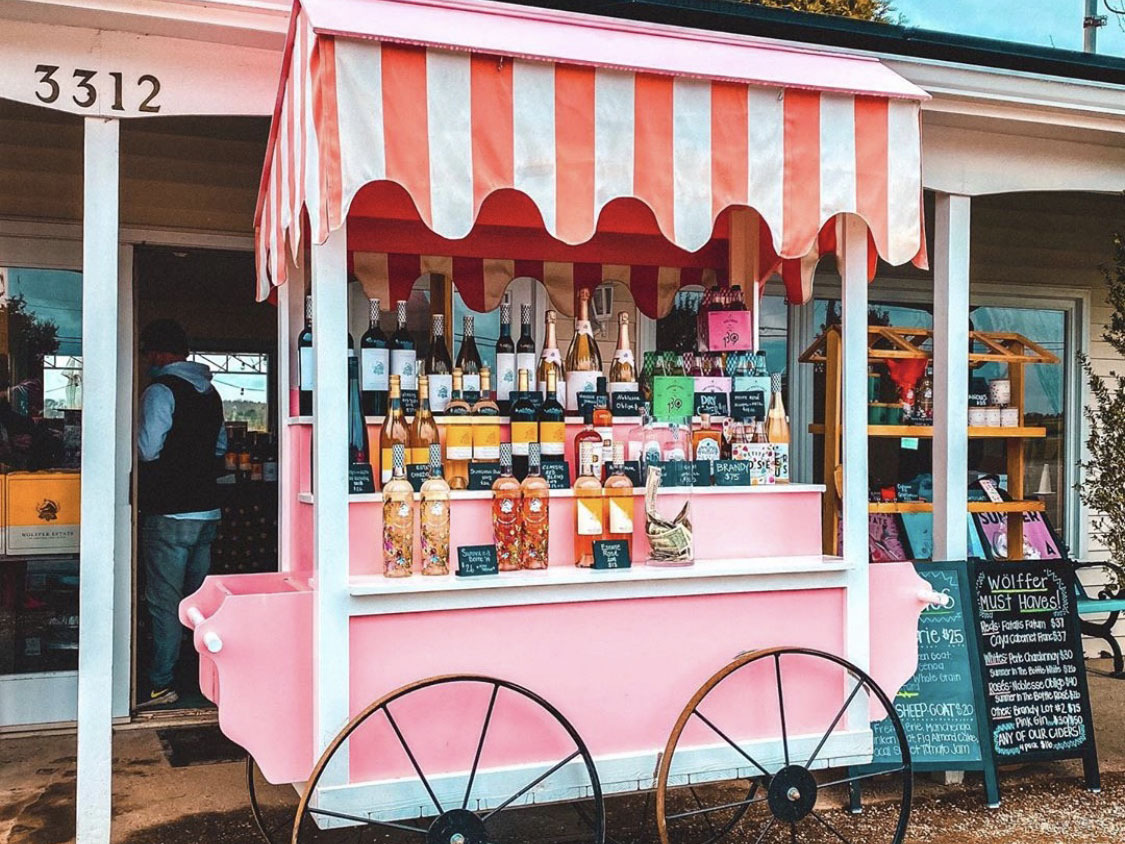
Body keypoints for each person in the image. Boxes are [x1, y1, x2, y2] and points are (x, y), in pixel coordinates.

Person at [136, 319, 226, 709]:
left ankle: (161, 683)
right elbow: (219, 446)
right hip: (207, 511)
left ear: (158, 353)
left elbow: (147, 449)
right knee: (197, 601)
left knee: (165, 601)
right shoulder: (212, 393)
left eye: (147, 353)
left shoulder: (161, 391)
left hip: (169, 511)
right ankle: (202, 677)